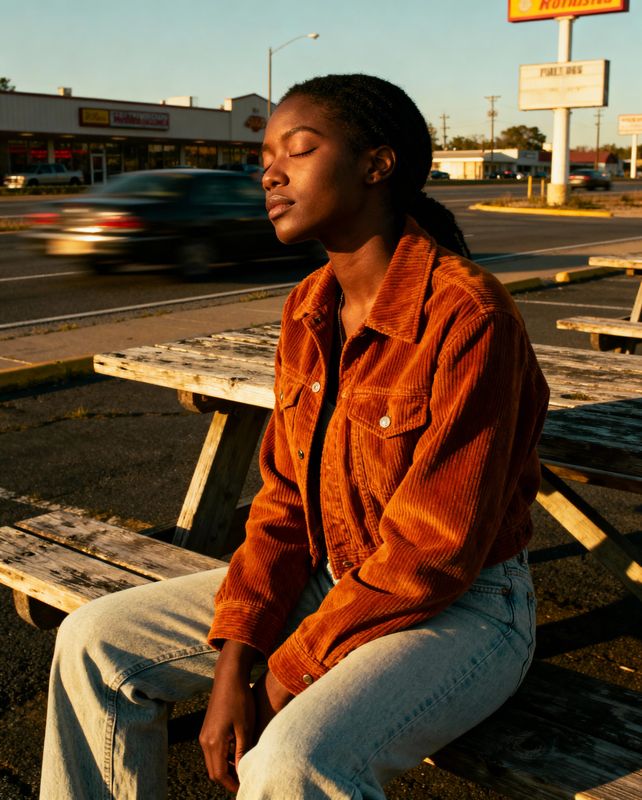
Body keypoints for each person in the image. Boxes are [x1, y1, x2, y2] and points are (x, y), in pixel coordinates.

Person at [40, 73, 550, 800]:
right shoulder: (309, 307)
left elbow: (433, 553)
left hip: (466, 610)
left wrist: (280, 676)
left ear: (378, 165)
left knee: (290, 761)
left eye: (299, 150)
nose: (270, 172)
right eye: (265, 157)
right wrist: (231, 666)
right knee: (93, 640)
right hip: (334, 577)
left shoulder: (469, 316)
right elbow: (282, 504)